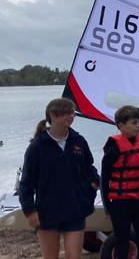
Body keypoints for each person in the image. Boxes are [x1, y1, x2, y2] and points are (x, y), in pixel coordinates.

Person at [19, 98, 99, 259]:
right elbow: (26, 182)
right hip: (47, 212)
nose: (71, 116)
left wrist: (92, 187)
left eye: (72, 113)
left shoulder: (78, 141)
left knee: (74, 256)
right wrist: (29, 210)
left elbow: (89, 169)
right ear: (53, 116)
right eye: (66, 113)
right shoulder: (37, 146)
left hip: (75, 210)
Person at [101, 106, 139, 259]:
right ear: (121, 126)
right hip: (120, 204)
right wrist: (107, 209)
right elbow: (104, 179)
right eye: (134, 122)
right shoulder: (113, 147)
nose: (138, 125)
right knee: (122, 244)